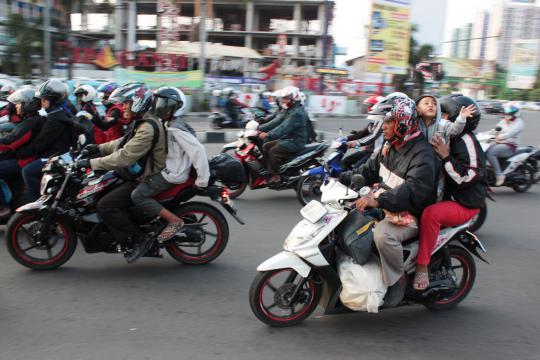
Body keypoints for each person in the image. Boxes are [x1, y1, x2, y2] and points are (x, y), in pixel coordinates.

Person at [340, 94, 439, 306]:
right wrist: (337, 176)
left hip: (411, 213)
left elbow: (413, 191)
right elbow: (367, 171)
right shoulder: (389, 146)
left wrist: (379, 200)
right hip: (386, 203)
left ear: (402, 124)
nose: (382, 127)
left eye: (388, 122)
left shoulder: (423, 154)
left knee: (383, 235)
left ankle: (397, 279)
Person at [79, 86, 171, 263]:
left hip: (145, 178)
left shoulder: (147, 128)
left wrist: (91, 163)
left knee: (105, 205)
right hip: (135, 174)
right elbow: (121, 143)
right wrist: (96, 148)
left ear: (138, 102)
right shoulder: (142, 122)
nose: (123, 108)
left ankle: (138, 239)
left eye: (126, 103)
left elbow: (124, 157)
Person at [414, 95, 487, 290]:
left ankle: (422, 266)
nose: (441, 117)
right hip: (446, 194)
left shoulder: (466, 140)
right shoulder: (443, 135)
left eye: (444, 113)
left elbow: (468, 176)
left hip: (464, 202)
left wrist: (446, 157)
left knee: (431, 214)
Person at [131, 88, 210, 243]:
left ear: (175, 106)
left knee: (137, 196)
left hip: (172, 174)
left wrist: (202, 180)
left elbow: (198, 151)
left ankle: (174, 221)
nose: (159, 106)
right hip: (169, 169)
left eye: (163, 103)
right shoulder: (169, 123)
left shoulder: (176, 127)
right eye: (158, 102)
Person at [17, 79, 73, 201]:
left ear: (51, 101)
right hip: (61, 154)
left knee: (28, 171)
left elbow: (40, 143)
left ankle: (39, 203)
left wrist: (19, 152)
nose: (42, 103)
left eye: (44, 99)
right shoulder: (60, 113)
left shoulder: (55, 119)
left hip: (59, 156)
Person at [0, 87, 43, 216]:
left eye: (19, 104)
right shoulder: (30, 120)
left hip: (24, 161)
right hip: (22, 157)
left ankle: (2, 207)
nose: (16, 107)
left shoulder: (31, 122)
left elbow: (11, 142)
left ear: (27, 105)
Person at [258, 86, 308, 185]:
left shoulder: (296, 113)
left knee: (274, 151)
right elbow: (276, 121)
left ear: (294, 98)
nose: (283, 100)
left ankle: (276, 176)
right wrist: (259, 128)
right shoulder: (288, 109)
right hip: (287, 139)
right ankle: (275, 168)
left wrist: (268, 134)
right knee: (265, 146)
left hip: (295, 141)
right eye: (283, 98)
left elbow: (283, 128)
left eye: (286, 98)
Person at [341, 96, 386, 170]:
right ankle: (347, 179)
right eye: (368, 106)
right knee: (345, 162)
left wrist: (357, 143)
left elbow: (374, 136)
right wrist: (345, 138)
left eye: (371, 105)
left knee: (357, 168)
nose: (369, 108)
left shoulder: (382, 122)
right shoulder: (373, 123)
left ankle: (357, 180)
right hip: (368, 150)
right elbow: (361, 133)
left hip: (376, 153)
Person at [486, 103, 524, 186]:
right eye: (506, 114)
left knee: (491, 152)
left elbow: (512, 133)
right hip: (499, 143)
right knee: (485, 149)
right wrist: (484, 134)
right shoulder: (503, 121)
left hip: (510, 145)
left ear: (514, 114)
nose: (506, 116)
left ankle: (499, 175)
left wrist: (502, 136)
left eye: (509, 114)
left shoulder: (519, 122)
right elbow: (494, 130)